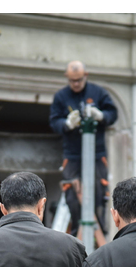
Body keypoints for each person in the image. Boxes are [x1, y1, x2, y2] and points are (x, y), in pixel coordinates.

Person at [49, 60, 117, 247]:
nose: (76, 84)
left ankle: (99, 237)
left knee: (99, 193)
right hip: (73, 155)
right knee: (72, 196)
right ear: (67, 79)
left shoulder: (98, 93)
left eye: (79, 80)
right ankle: (75, 240)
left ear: (85, 76)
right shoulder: (61, 97)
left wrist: (101, 116)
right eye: (72, 81)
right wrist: (66, 124)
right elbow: (54, 121)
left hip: (96, 153)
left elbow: (113, 113)